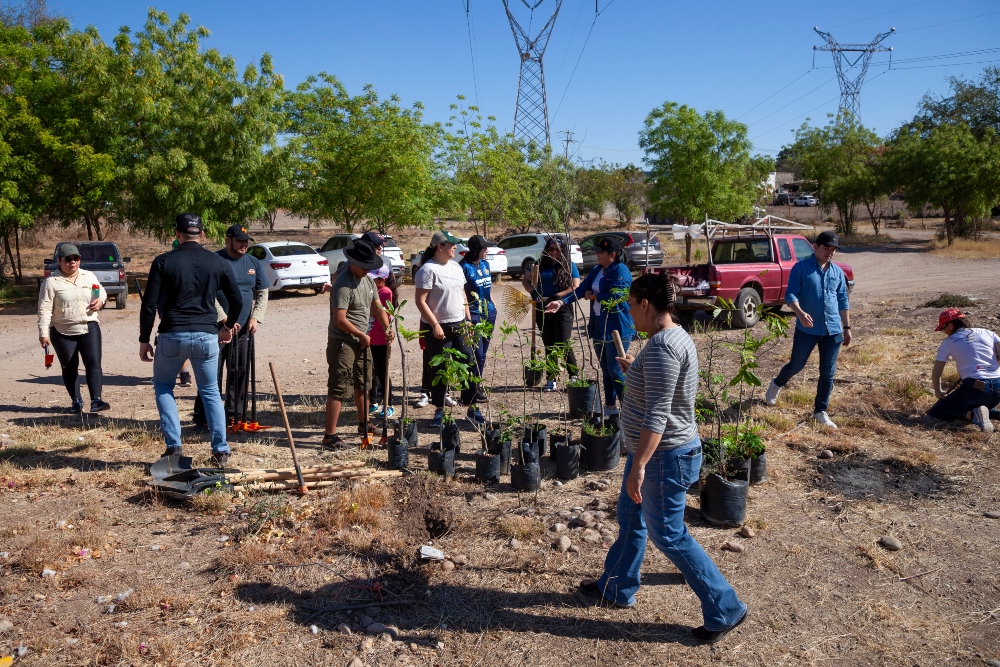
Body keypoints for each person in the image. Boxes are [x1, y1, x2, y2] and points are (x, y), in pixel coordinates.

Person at [579, 272, 749, 644]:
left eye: (630, 306)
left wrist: (638, 465)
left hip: (661, 457)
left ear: (645, 304)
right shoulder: (671, 338)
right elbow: (661, 389)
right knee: (630, 516)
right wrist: (635, 370)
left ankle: (726, 608)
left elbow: (658, 413)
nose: (629, 314)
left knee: (669, 536)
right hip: (657, 453)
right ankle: (617, 586)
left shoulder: (662, 348)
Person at [139, 213, 243, 465]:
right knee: (210, 391)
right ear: (203, 234)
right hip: (207, 334)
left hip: (173, 333)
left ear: (177, 234)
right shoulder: (216, 262)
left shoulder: (163, 261)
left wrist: (144, 339)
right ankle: (220, 450)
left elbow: (149, 304)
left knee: (164, 386)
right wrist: (227, 326)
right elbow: (237, 300)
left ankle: (174, 447)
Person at [764, 230, 851, 429]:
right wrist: (800, 313)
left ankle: (820, 411)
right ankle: (777, 384)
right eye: (826, 248)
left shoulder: (837, 272)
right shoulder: (801, 268)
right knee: (796, 365)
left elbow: (843, 300)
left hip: (833, 330)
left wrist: (847, 327)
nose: (829, 252)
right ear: (815, 246)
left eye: (833, 249)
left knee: (828, 373)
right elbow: (790, 295)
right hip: (807, 329)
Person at [192, 224, 269, 429]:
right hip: (215, 329)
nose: (244, 245)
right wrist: (224, 319)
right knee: (211, 374)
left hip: (243, 330)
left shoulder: (254, 263)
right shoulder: (215, 261)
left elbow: (262, 291)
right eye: (239, 241)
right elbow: (208, 293)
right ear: (228, 240)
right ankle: (204, 417)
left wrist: (256, 318)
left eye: (246, 241)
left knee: (239, 373)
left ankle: (234, 416)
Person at [548, 236, 634, 416]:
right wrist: (561, 303)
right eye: (596, 252)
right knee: (606, 370)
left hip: (616, 327)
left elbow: (617, 296)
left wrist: (594, 296)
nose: (597, 255)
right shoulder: (597, 270)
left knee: (615, 370)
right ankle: (610, 408)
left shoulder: (621, 271)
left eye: (601, 252)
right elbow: (580, 290)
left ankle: (629, 410)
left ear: (613, 254)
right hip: (598, 326)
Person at [322, 240, 393, 448]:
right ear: (353, 262)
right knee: (339, 387)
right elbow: (340, 319)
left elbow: (378, 307)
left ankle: (365, 424)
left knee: (364, 383)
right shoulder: (342, 284)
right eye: (364, 266)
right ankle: (330, 437)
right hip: (343, 342)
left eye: (370, 267)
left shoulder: (369, 282)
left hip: (362, 340)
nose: (367, 270)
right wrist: (361, 334)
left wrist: (387, 327)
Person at [414, 230, 483, 427]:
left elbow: (463, 296)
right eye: (451, 244)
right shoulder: (428, 270)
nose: (455, 247)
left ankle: (472, 407)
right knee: (440, 368)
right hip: (437, 328)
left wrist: (469, 321)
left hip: (459, 323)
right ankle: (439, 410)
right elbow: (420, 301)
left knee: (468, 363)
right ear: (439, 246)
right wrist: (434, 324)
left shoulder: (456, 268)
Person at [37, 243, 110, 414]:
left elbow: (101, 292)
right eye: (68, 259)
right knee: (70, 366)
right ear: (60, 261)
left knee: (93, 363)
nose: (72, 262)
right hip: (62, 331)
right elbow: (44, 309)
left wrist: (99, 301)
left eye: (76, 259)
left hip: (89, 325)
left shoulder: (88, 276)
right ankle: (76, 401)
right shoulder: (51, 283)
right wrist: (43, 334)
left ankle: (96, 400)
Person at [927, 308, 1000, 432]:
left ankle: (971, 415)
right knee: (977, 404)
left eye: (943, 328)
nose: (944, 332)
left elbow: (936, 374)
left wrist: (938, 392)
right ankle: (995, 414)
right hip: (998, 387)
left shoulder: (949, 342)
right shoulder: (988, 333)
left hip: (974, 387)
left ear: (950, 324)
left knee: (935, 413)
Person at [524, 237, 581, 392]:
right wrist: (532, 291)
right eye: (551, 249)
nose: (554, 252)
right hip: (543, 308)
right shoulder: (538, 264)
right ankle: (551, 377)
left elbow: (576, 286)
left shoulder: (569, 266)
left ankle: (574, 375)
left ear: (562, 251)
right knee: (549, 344)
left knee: (562, 343)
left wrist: (559, 296)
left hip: (562, 308)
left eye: (557, 249)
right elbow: (526, 280)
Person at [461, 235, 497, 402]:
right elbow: (461, 294)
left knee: (483, 355)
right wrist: (468, 317)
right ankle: (471, 388)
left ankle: (478, 385)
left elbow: (487, 289)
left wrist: (493, 305)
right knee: (476, 353)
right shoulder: (464, 267)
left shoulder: (486, 264)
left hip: (489, 313)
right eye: (484, 248)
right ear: (477, 249)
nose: (487, 250)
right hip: (475, 315)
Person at [367, 263, 395, 418]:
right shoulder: (371, 291)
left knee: (383, 372)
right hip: (368, 338)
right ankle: (373, 401)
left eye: (373, 279)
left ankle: (388, 403)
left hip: (380, 339)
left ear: (381, 280)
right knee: (369, 373)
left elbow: (374, 311)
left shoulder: (385, 292)